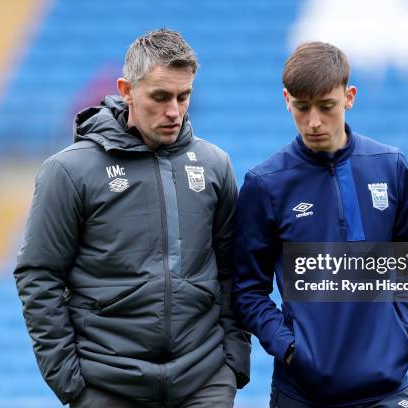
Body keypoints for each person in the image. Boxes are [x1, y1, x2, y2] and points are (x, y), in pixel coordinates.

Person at [14, 29, 250, 408]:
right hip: (106, 385)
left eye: (183, 96)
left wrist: (232, 365)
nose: (174, 110)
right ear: (126, 89)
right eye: (160, 96)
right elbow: (38, 274)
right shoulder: (69, 171)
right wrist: (71, 383)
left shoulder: (214, 165)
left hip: (203, 382)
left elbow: (231, 270)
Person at [232, 42, 408, 407]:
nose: (313, 121)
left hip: (385, 388)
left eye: (326, 107)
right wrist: (290, 347)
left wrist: (405, 335)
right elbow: (247, 289)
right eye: (301, 107)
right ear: (286, 101)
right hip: (303, 391)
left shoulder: (390, 166)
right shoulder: (266, 183)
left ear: (349, 97)